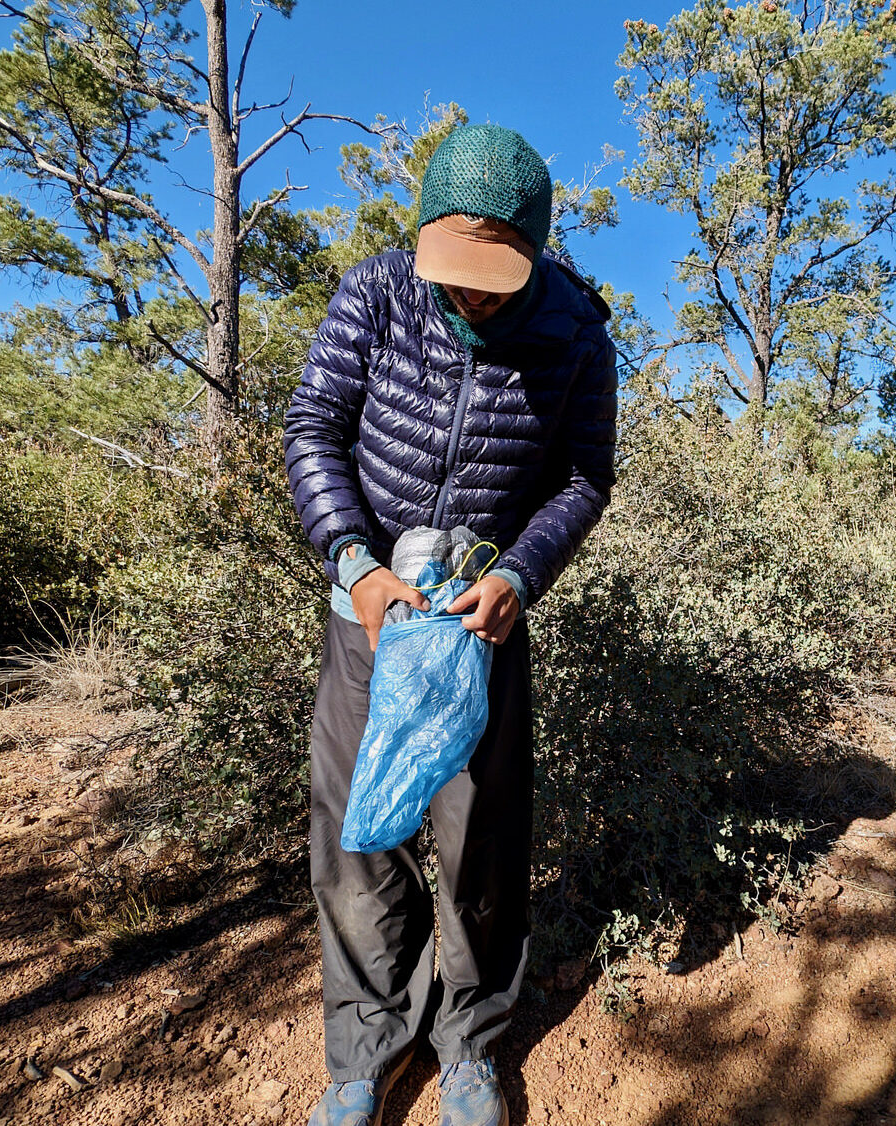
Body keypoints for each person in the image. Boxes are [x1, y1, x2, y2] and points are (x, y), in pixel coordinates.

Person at [283, 123, 617, 1126]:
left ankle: (468, 1040)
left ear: (533, 247)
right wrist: (354, 557)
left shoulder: (573, 332)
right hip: (369, 613)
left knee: (481, 837)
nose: (469, 295)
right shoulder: (376, 293)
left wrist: (521, 572)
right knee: (357, 839)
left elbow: (584, 476)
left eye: (492, 275)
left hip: (484, 625)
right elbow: (312, 429)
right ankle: (365, 1047)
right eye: (454, 270)